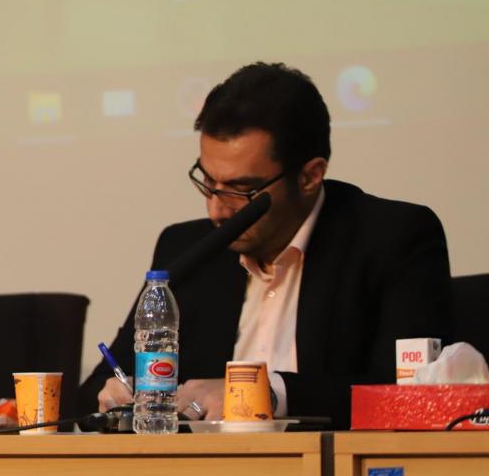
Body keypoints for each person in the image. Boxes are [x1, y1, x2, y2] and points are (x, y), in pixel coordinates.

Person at [79, 63, 452, 427]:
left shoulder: (392, 237)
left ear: (310, 176)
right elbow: (96, 386)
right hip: (200, 464)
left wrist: (261, 394)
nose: (217, 210)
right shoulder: (187, 246)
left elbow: (409, 393)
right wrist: (115, 394)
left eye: (242, 191)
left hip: (329, 461)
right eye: (208, 182)